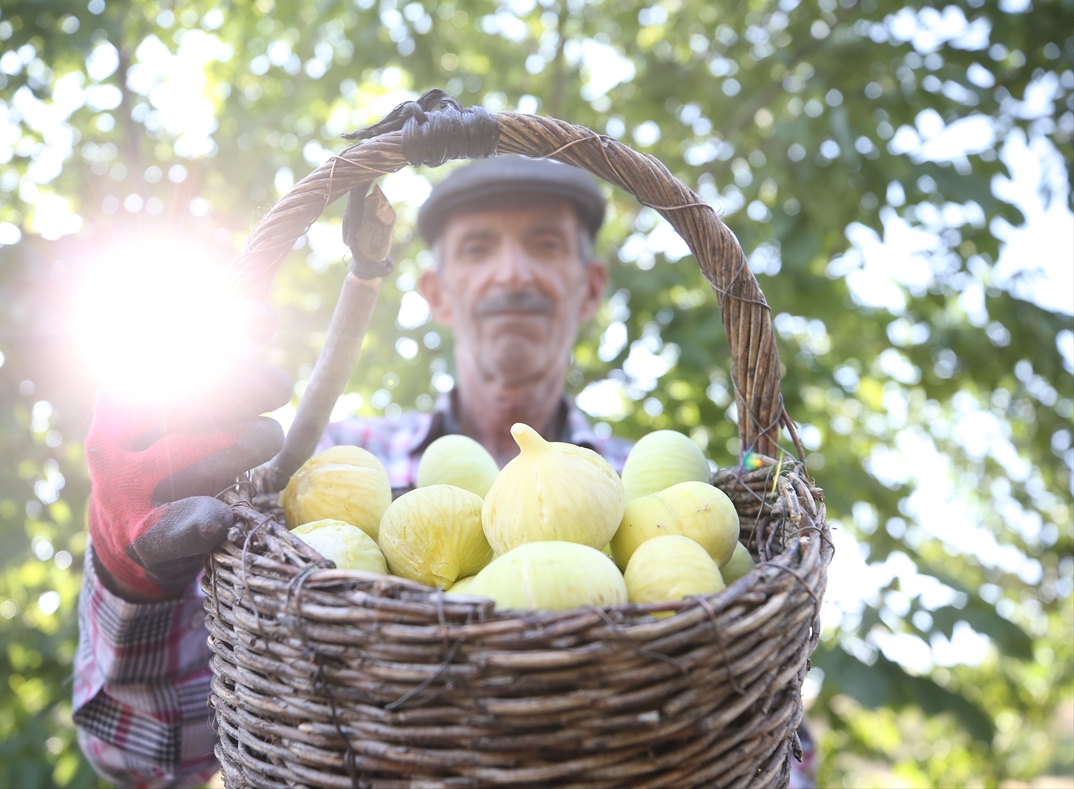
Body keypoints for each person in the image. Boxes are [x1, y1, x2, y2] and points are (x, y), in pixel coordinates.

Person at [72, 157, 815, 787]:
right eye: (478, 248)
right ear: (433, 293)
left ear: (590, 286)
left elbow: (778, 760)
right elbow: (146, 757)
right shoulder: (319, 472)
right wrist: (128, 569)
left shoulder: (672, 497)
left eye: (545, 244)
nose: (512, 272)